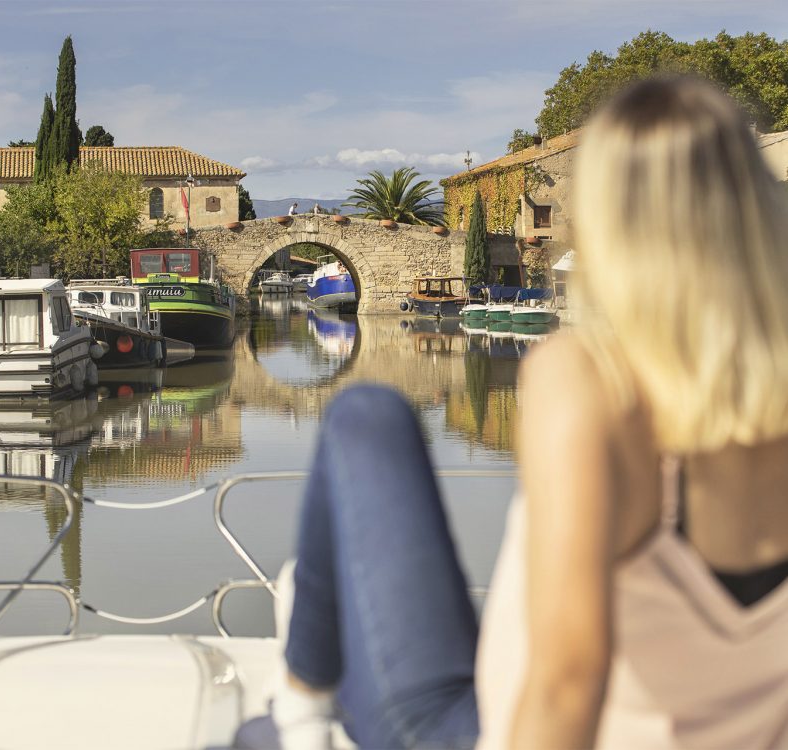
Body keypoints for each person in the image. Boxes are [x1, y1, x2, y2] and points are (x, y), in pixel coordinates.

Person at [238, 75, 788, 750]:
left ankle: (299, 701)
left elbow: (567, 682)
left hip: (492, 733)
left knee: (367, 416)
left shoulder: (591, 382)